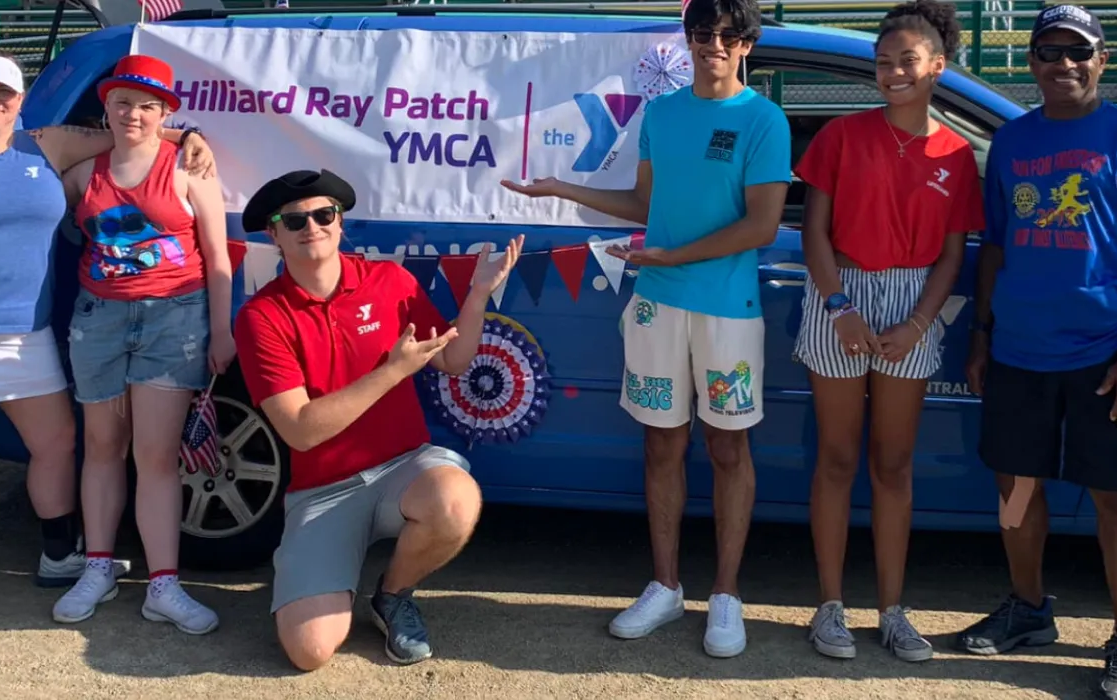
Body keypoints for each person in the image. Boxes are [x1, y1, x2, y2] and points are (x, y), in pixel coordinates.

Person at [0, 53, 210, 626]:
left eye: (4, 92)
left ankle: (59, 555)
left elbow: (128, 130)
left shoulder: (46, 145)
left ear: (21, 101)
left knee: (56, 443)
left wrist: (191, 135)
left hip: (26, 333)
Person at [500, 0, 790, 658]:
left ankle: (726, 594)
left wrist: (673, 256)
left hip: (726, 309)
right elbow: (644, 204)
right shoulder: (661, 114)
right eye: (702, 33)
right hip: (657, 304)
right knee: (662, 445)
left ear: (746, 44)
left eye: (727, 35)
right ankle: (665, 586)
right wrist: (563, 189)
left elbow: (761, 225)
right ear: (688, 40)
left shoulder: (763, 119)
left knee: (728, 449)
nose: (713, 44)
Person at [958, 6, 1117, 700]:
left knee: (1115, 497)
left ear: (1101, 60)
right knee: (1016, 490)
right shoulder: (1012, 143)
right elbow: (996, 245)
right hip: (1019, 350)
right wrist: (982, 333)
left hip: (1105, 354)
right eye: (1050, 52)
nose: (1064, 64)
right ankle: (1029, 608)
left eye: (1078, 52)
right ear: (1031, 62)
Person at [236, 169, 519, 669]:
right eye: (294, 221)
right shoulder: (262, 316)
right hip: (322, 491)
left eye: (324, 215)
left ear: (340, 222)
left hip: (402, 470)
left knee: (455, 500)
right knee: (308, 652)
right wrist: (392, 372)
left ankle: (392, 594)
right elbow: (300, 430)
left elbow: (453, 361)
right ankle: (315, 565)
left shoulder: (389, 281)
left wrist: (477, 295)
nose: (312, 227)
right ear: (273, 234)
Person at [791, 0, 980, 662]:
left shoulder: (957, 154)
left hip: (913, 302)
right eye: (883, 62)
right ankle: (829, 607)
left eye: (907, 60)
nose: (894, 72)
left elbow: (952, 255)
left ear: (938, 66)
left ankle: (893, 611)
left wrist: (919, 322)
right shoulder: (841, 136)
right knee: (837, 458)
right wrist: (840, 307)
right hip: (838, 293)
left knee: (893, 464)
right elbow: (814, 232)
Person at [48, 55, 234, 633]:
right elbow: (33, 145)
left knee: (155, 455)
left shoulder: (189, 169)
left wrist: (222, 329)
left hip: (174, 318)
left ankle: (163, 584)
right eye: (122, 102)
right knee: (102, 446)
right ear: (105, 107)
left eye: (148, 106)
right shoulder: (83, 173)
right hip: (98, 317)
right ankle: (98, 567)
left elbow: (218, 256)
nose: (134, 114)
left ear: (165, 112)